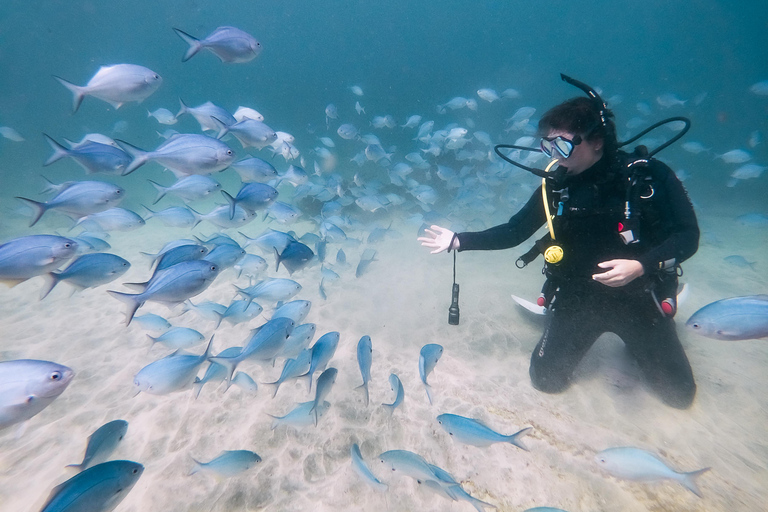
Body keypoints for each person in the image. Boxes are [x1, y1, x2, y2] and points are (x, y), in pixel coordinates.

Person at [418, 90, 699, 409]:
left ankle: (645, 335)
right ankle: (565, 321)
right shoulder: (557, 186)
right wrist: (459, 240)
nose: (554, 153)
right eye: (548, 144)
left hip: (639, 295)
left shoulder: (648, 176)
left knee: (680, 395)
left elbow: (688, 236)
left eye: (563, 144)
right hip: (578, 296)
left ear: (597, 141)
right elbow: (515, 231)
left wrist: (641, 265)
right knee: (546, 380)